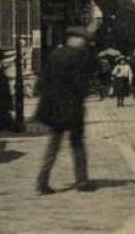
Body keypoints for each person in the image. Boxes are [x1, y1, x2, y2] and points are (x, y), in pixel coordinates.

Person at [35, 27, 93, 194]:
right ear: (74, 39)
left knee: (53, 146)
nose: (85, 43)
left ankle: (41, 182)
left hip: (55, 109)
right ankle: (82, 181)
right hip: (72, 108)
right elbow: (79, 85)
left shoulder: (54, 55)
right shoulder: (78, 58)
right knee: (77, 144)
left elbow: (42, 82)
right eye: (83, 39)